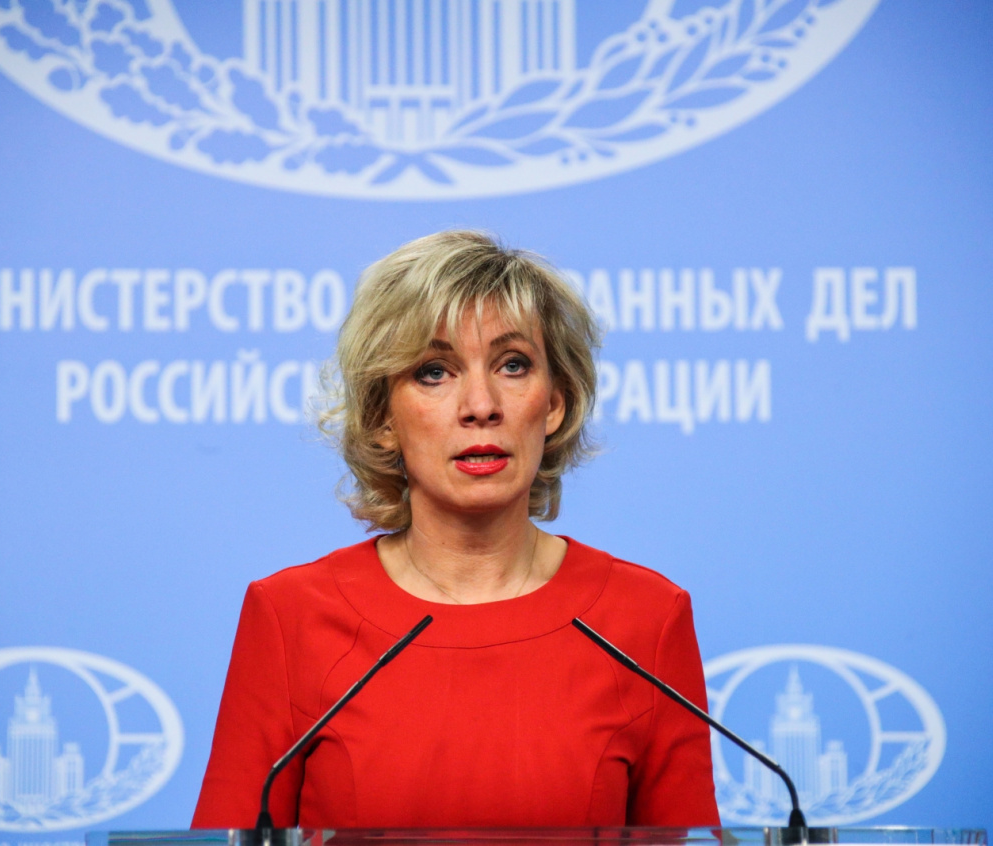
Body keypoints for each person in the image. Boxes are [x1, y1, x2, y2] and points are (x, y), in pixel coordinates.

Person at [192, 231, 719, 829]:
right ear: (382, 417)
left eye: (512, 365)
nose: (480, 405)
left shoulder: (645, 620)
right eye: (434, 372)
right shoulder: (291, 617)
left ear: (554, 403)